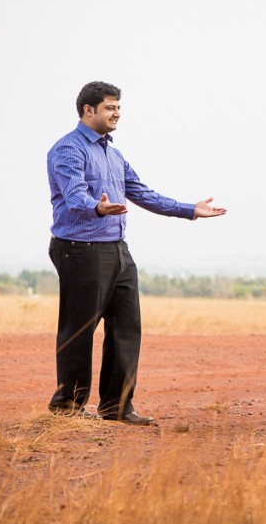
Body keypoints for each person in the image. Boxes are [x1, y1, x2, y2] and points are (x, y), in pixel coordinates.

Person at [46, 81, 226, 425]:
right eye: (110, 108)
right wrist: (97, 208)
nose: (117, 114)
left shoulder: (114, 155)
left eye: (118, 108)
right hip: (80, 249)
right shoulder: (68, 150)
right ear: (88, 110)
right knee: (79, 328)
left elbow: (142, 193)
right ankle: (67, 407)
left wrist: (189, 209)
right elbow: (74, 195)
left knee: (127, 327)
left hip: (117, 249)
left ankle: (116, 406)